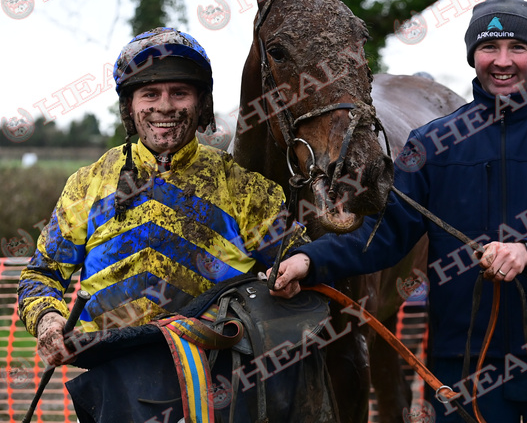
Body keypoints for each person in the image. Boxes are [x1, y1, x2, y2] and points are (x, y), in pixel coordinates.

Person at [268, 0, 527, 422]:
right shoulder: (432, 143)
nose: (503, 62)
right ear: (473, 55)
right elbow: (386, 232)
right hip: (463, 363)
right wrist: (310, 260)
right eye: (490, 48)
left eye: (518, 48)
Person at [17, 28, 318, 419]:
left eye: (180, 93)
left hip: (219, 381)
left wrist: (292, 270)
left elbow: (294, 253)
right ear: (129, 106)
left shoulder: (240, 185)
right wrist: (48, 319)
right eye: (150, 94)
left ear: (201, 104)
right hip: (112, 378)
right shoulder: (87, 184)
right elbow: (42, 274)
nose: (165, 106)